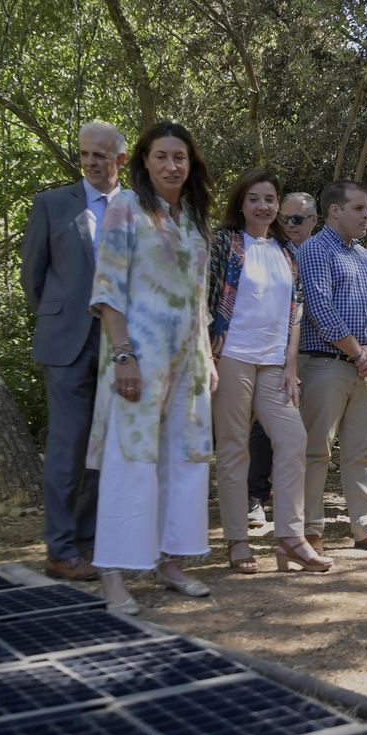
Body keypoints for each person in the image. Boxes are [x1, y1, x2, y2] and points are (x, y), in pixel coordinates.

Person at [86, 122, 218, 614]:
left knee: (183, 461)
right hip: (137, 356)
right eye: (161, 156)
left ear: (191, 164)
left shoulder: (195, 217)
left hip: (190, 360)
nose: (170, 165)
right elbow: (107, 289)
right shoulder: (125, 208)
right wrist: (122, 354)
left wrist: (207, 355)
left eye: (179, 157)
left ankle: (171, 561)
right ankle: (113, 574)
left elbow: (199, 297)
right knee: (131, 460)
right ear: (143, 161)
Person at [208, 170, 332, 575]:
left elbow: (294, 312)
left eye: (270, 199)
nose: (263, 206)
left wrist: (290, 364)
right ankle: (238, 540)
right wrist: (207, 353)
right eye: (255, 199)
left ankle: (291, 540)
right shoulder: (224, 243)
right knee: (233, 447)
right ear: (241, 204)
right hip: (232, 356)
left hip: (274, 364)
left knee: (293, 439)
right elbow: (205, 300)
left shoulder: (285, 251)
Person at [20, 121, 126, 582]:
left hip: (124, 348)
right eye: (84, 154)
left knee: (106, 449)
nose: (89, 162)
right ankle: (60, 548)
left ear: (121, 159)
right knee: (67, 448)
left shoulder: (138, 209)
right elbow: (34, 278)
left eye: (100, 154)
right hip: (67, 343)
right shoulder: (50, 205)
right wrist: (63, 317)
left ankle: (88, 542)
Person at [296, 180, 367, 555]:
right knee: (316, 451)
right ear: (335, 211)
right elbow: (320, 311)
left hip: (366, 369)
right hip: (325, 366)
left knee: (362, 451)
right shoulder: (313, 250)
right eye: (359, 208)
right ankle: (309, 531)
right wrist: (362, 353)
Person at [246, 190, 320, 524]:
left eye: (297, 219)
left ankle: (298, 505)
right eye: (285, 218)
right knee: (264, 426)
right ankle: (255, 496)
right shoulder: (271, 250)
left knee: (305, 433)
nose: (289, 224)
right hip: (277, 354)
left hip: (320, 354)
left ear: (314, 221)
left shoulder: (323, 253)